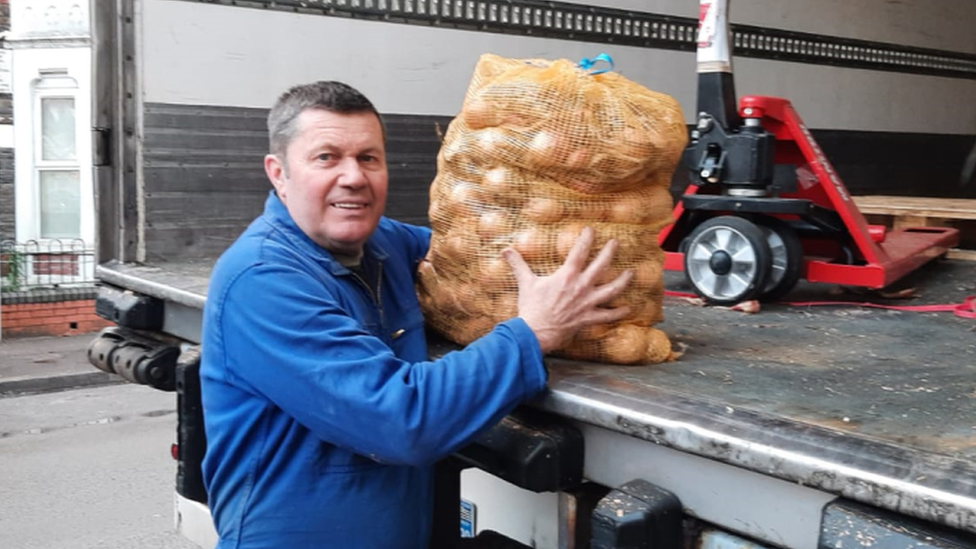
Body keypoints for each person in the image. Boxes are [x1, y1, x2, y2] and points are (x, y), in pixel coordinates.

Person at [200, 80, 633, 549]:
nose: (353, 177)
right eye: (326, 157)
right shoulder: (262, 281)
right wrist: (534, 331)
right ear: (279, 173)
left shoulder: (382, 244)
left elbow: (477, 254)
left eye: (368, 157)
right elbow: (403, 421)